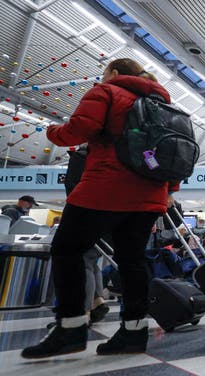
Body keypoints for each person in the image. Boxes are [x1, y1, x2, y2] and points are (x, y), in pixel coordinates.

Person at [22, 58, 178, 359]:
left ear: (115, 73)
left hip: (105, 189)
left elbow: (81, 128)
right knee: (132, 261)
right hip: (149, 195)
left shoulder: (106, 92)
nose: (102, 76)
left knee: (67, 250)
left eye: (104, 72)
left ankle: (71, 327)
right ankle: (134, 333)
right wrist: (169, 190)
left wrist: (53, 132)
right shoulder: (165, 105)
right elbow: (173, 153)